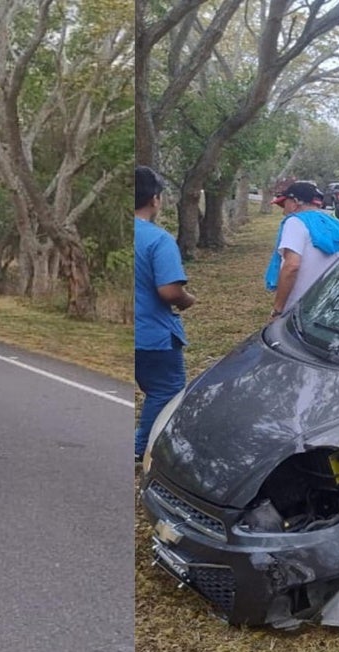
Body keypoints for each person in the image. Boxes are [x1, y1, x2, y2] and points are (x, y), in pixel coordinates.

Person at [134, 166, 196, 464]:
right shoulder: (158, 240)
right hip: (152, 334)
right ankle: (142, 445)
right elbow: (170, 291)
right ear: (155, 199)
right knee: (166, 391)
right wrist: (187, 300)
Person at [265, 181, 339, 319]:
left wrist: (278, 308)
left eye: (284, 204)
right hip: (329, 304)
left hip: (300, 308)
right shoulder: (332, 225)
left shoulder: (295, 222)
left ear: (295, 202)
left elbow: (292, 266)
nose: (283, 211)